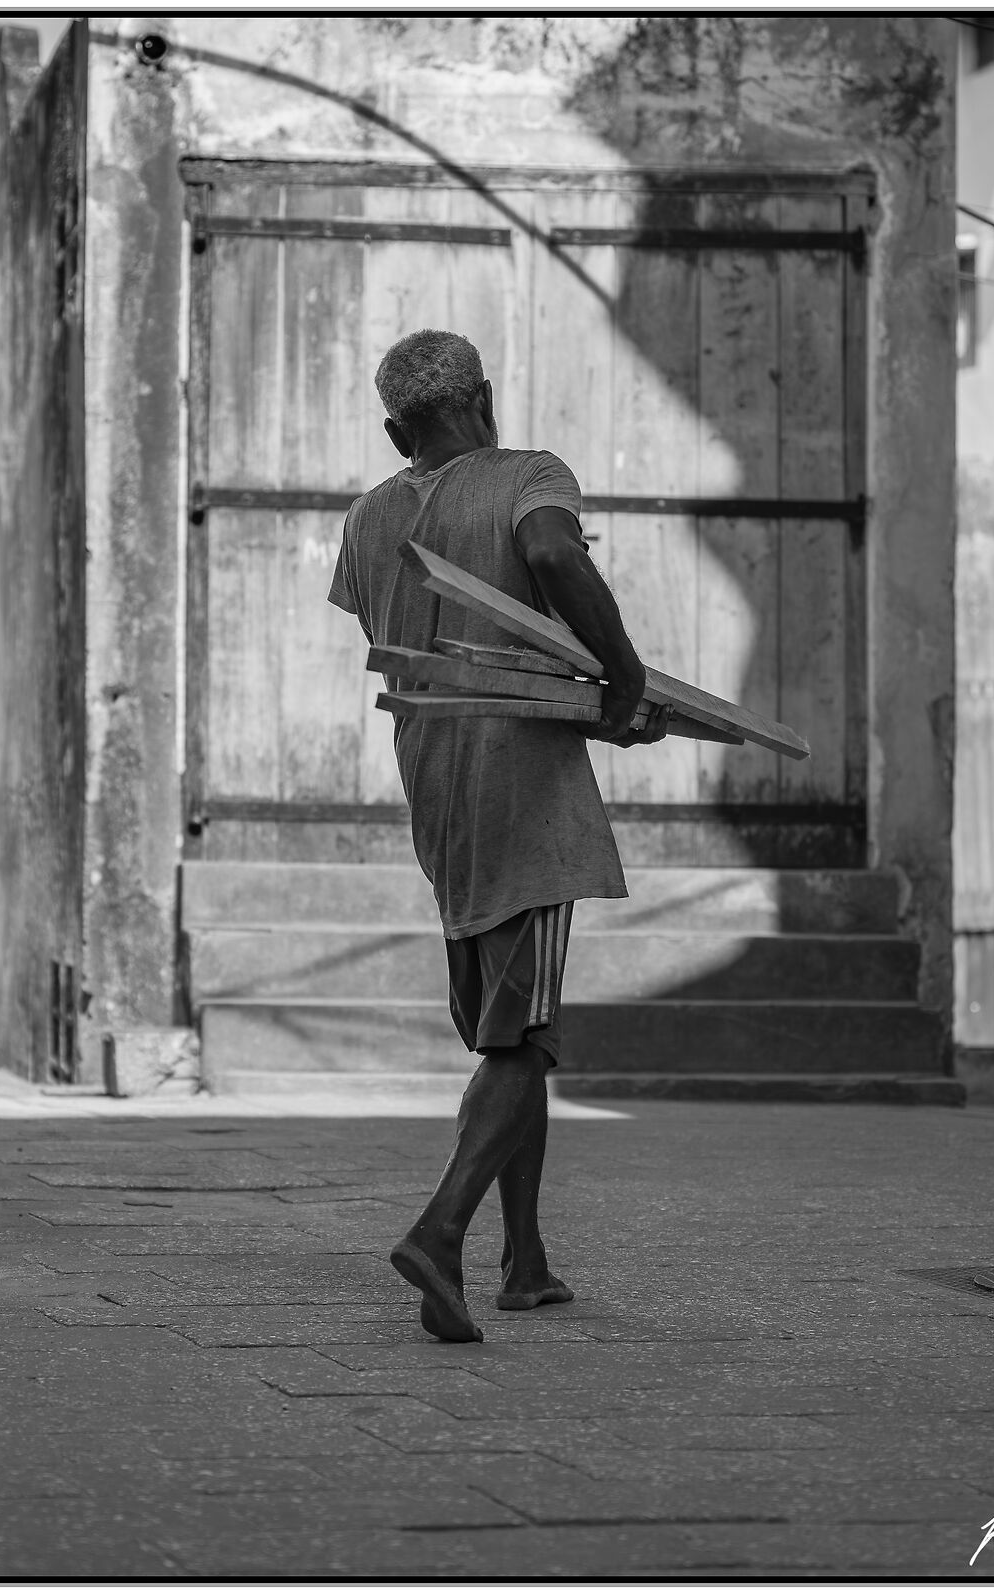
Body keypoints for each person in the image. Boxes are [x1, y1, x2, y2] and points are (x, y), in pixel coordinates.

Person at [327, 329, 666, 1343]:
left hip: (437, 790)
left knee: (513, 1034)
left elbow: (388, 639)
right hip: (523, 788)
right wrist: (627, 678)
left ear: (397, 432)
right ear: (487, 396)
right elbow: (555, 550)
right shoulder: (529, 474)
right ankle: (442, 1231)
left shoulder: (368, 517)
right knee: (522, 1042)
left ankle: (526, 1261)